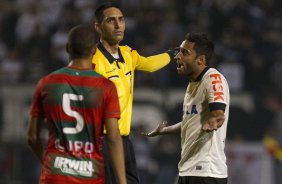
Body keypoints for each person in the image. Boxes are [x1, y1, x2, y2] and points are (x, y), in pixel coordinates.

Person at [27, 24, 126, 184]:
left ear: (67, 48)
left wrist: (49, 162)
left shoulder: (46, 83)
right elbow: (113, 138)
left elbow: (32, 137)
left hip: (55, 175)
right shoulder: (106, 87)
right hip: (90, 176)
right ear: (94, 50)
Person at [92, 2, 177, 184]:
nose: (118, 25)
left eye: (121, 20)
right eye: (111, 20)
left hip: (123, 140)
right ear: (98, 27)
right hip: (102, 141)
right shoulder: (93, 60)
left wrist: (172, 54)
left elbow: (148, 63)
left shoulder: (128, 53)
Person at [143, 33, 230, 184]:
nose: (177, 56)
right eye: (178, 51)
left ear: (201, 60)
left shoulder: (213, 78)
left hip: (206, 171)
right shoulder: (192, 85)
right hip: (189, 168)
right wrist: (164, 131)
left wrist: (214, 120)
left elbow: (219, 115)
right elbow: (189, 123)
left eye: (184, 52)